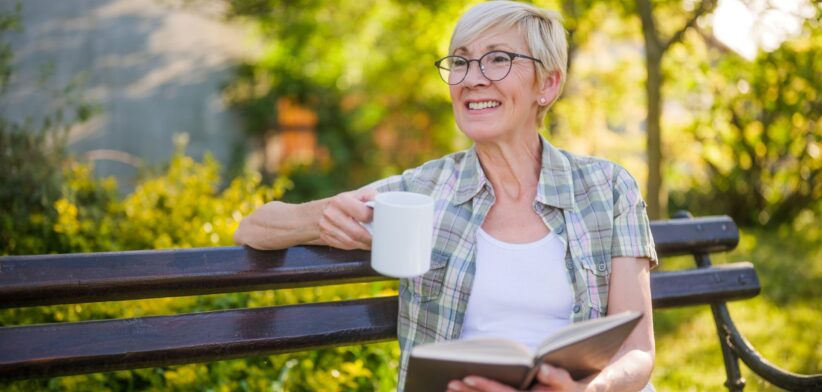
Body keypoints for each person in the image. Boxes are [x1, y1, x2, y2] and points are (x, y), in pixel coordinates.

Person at [234, 1, 657, 391]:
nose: (472, 78)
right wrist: (321, 216)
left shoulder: (608, 188)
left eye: (498, 59)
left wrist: (587, 391)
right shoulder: (423, 192)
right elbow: (252, 227)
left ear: (547, 83)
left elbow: (637, 351)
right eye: (461, 61)